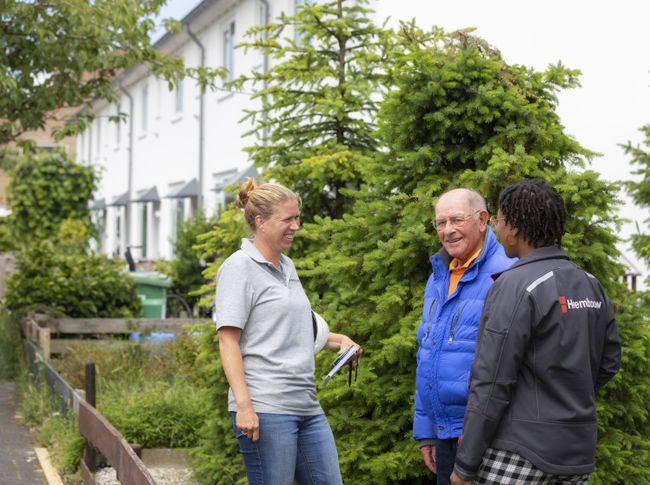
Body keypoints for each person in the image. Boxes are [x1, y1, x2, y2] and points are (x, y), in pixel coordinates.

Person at [451, 179, 621, 485]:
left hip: (518, 453)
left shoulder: (514, 285)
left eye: (499, 220)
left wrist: (464, 465)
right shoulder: (590, 283)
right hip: (576, 455)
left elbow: (490, 382)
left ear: (513, 227)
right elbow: (609, 362)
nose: (497, 229)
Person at [214, 178, 360, 485]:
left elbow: (292, 328)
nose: (296, 226)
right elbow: (228, 340)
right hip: (266, 409)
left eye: (297, 218)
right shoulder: (239, 267)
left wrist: (340, 343)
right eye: (288, 219)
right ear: (260, 222)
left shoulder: (287, 267)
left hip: (306, 404)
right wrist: (244, 406)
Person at [414, 188, 515, 485]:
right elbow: (427, 351)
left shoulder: (506, 273)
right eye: (440, 223)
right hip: (444, 433)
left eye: (456, 220)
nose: (448, 230)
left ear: (482, 219)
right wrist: (426, 430)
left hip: (488, 435)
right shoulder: (438, 276)